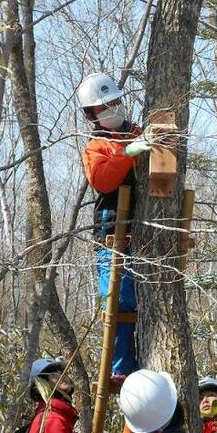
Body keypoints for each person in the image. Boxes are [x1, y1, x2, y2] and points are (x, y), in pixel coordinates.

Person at [76, 72, 152, 383]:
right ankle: (121, 367)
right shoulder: (98, 145)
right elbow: (102, 179)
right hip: (112, 230)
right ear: (91, 114)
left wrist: (142, 142)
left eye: (115, 102)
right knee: (119, 299)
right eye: (104, 106)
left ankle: (141, 362)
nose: (112, 108)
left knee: (144, 298)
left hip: (145, 227)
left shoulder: (138, 132)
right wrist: (129, 152)